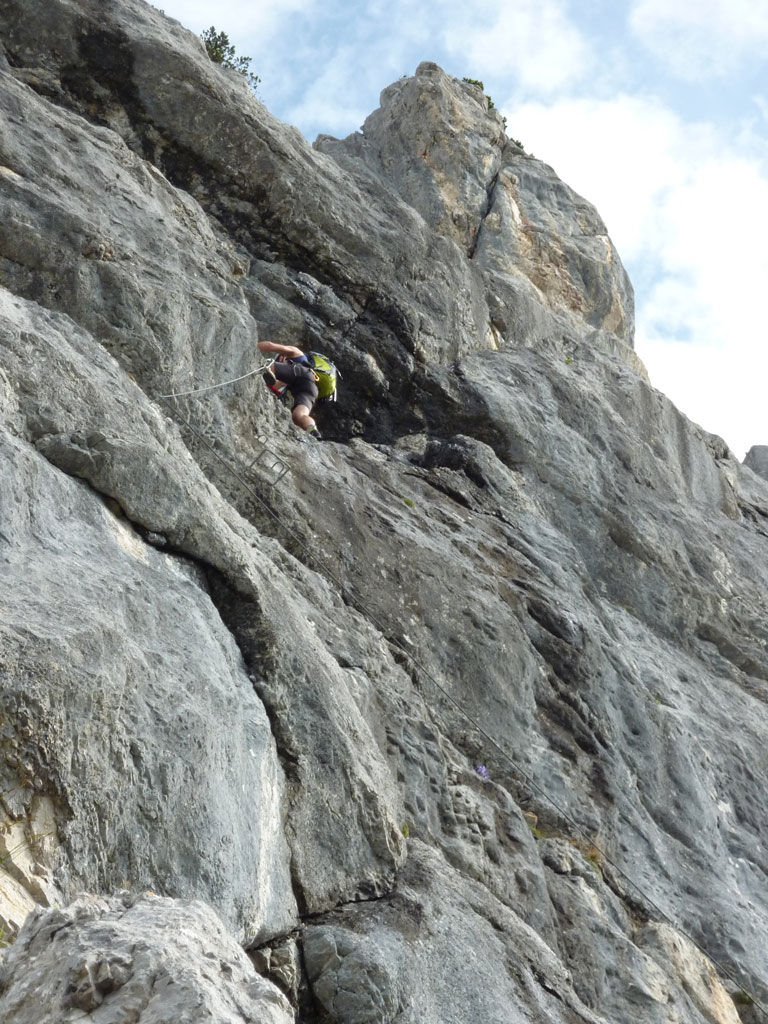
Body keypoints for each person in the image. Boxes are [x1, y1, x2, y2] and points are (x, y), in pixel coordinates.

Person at [257, 340, 332, 440]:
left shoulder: (296, 352)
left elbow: (270, 345)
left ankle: (266, 368)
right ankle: (313, 431)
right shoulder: (291, 374)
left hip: (301, 372)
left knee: (263, 364)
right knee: (299, 416)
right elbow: (276, 386)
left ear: (281, 356)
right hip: (311, 389)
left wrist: (253, 346)